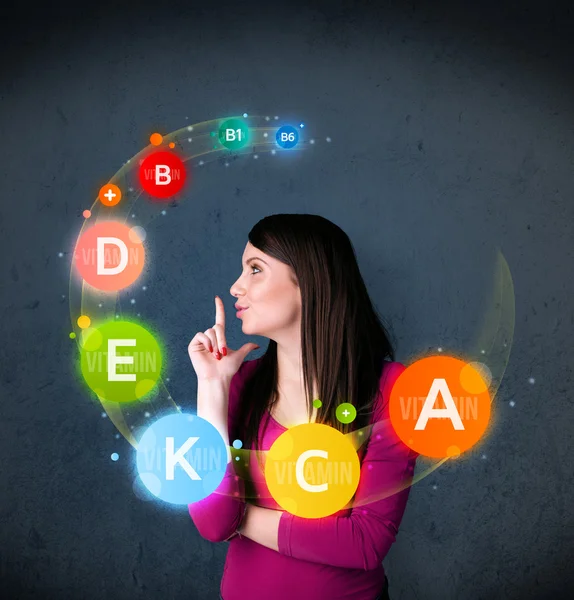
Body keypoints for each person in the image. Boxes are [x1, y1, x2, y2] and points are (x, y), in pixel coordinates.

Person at [187, 214, 418, 600]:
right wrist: (212, 388)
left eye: (255, 269)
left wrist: (240, 515)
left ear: (308, 283)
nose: (235, 287)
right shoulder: (237, 384)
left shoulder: (392, 390)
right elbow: (212, 524)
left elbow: (365, 542)